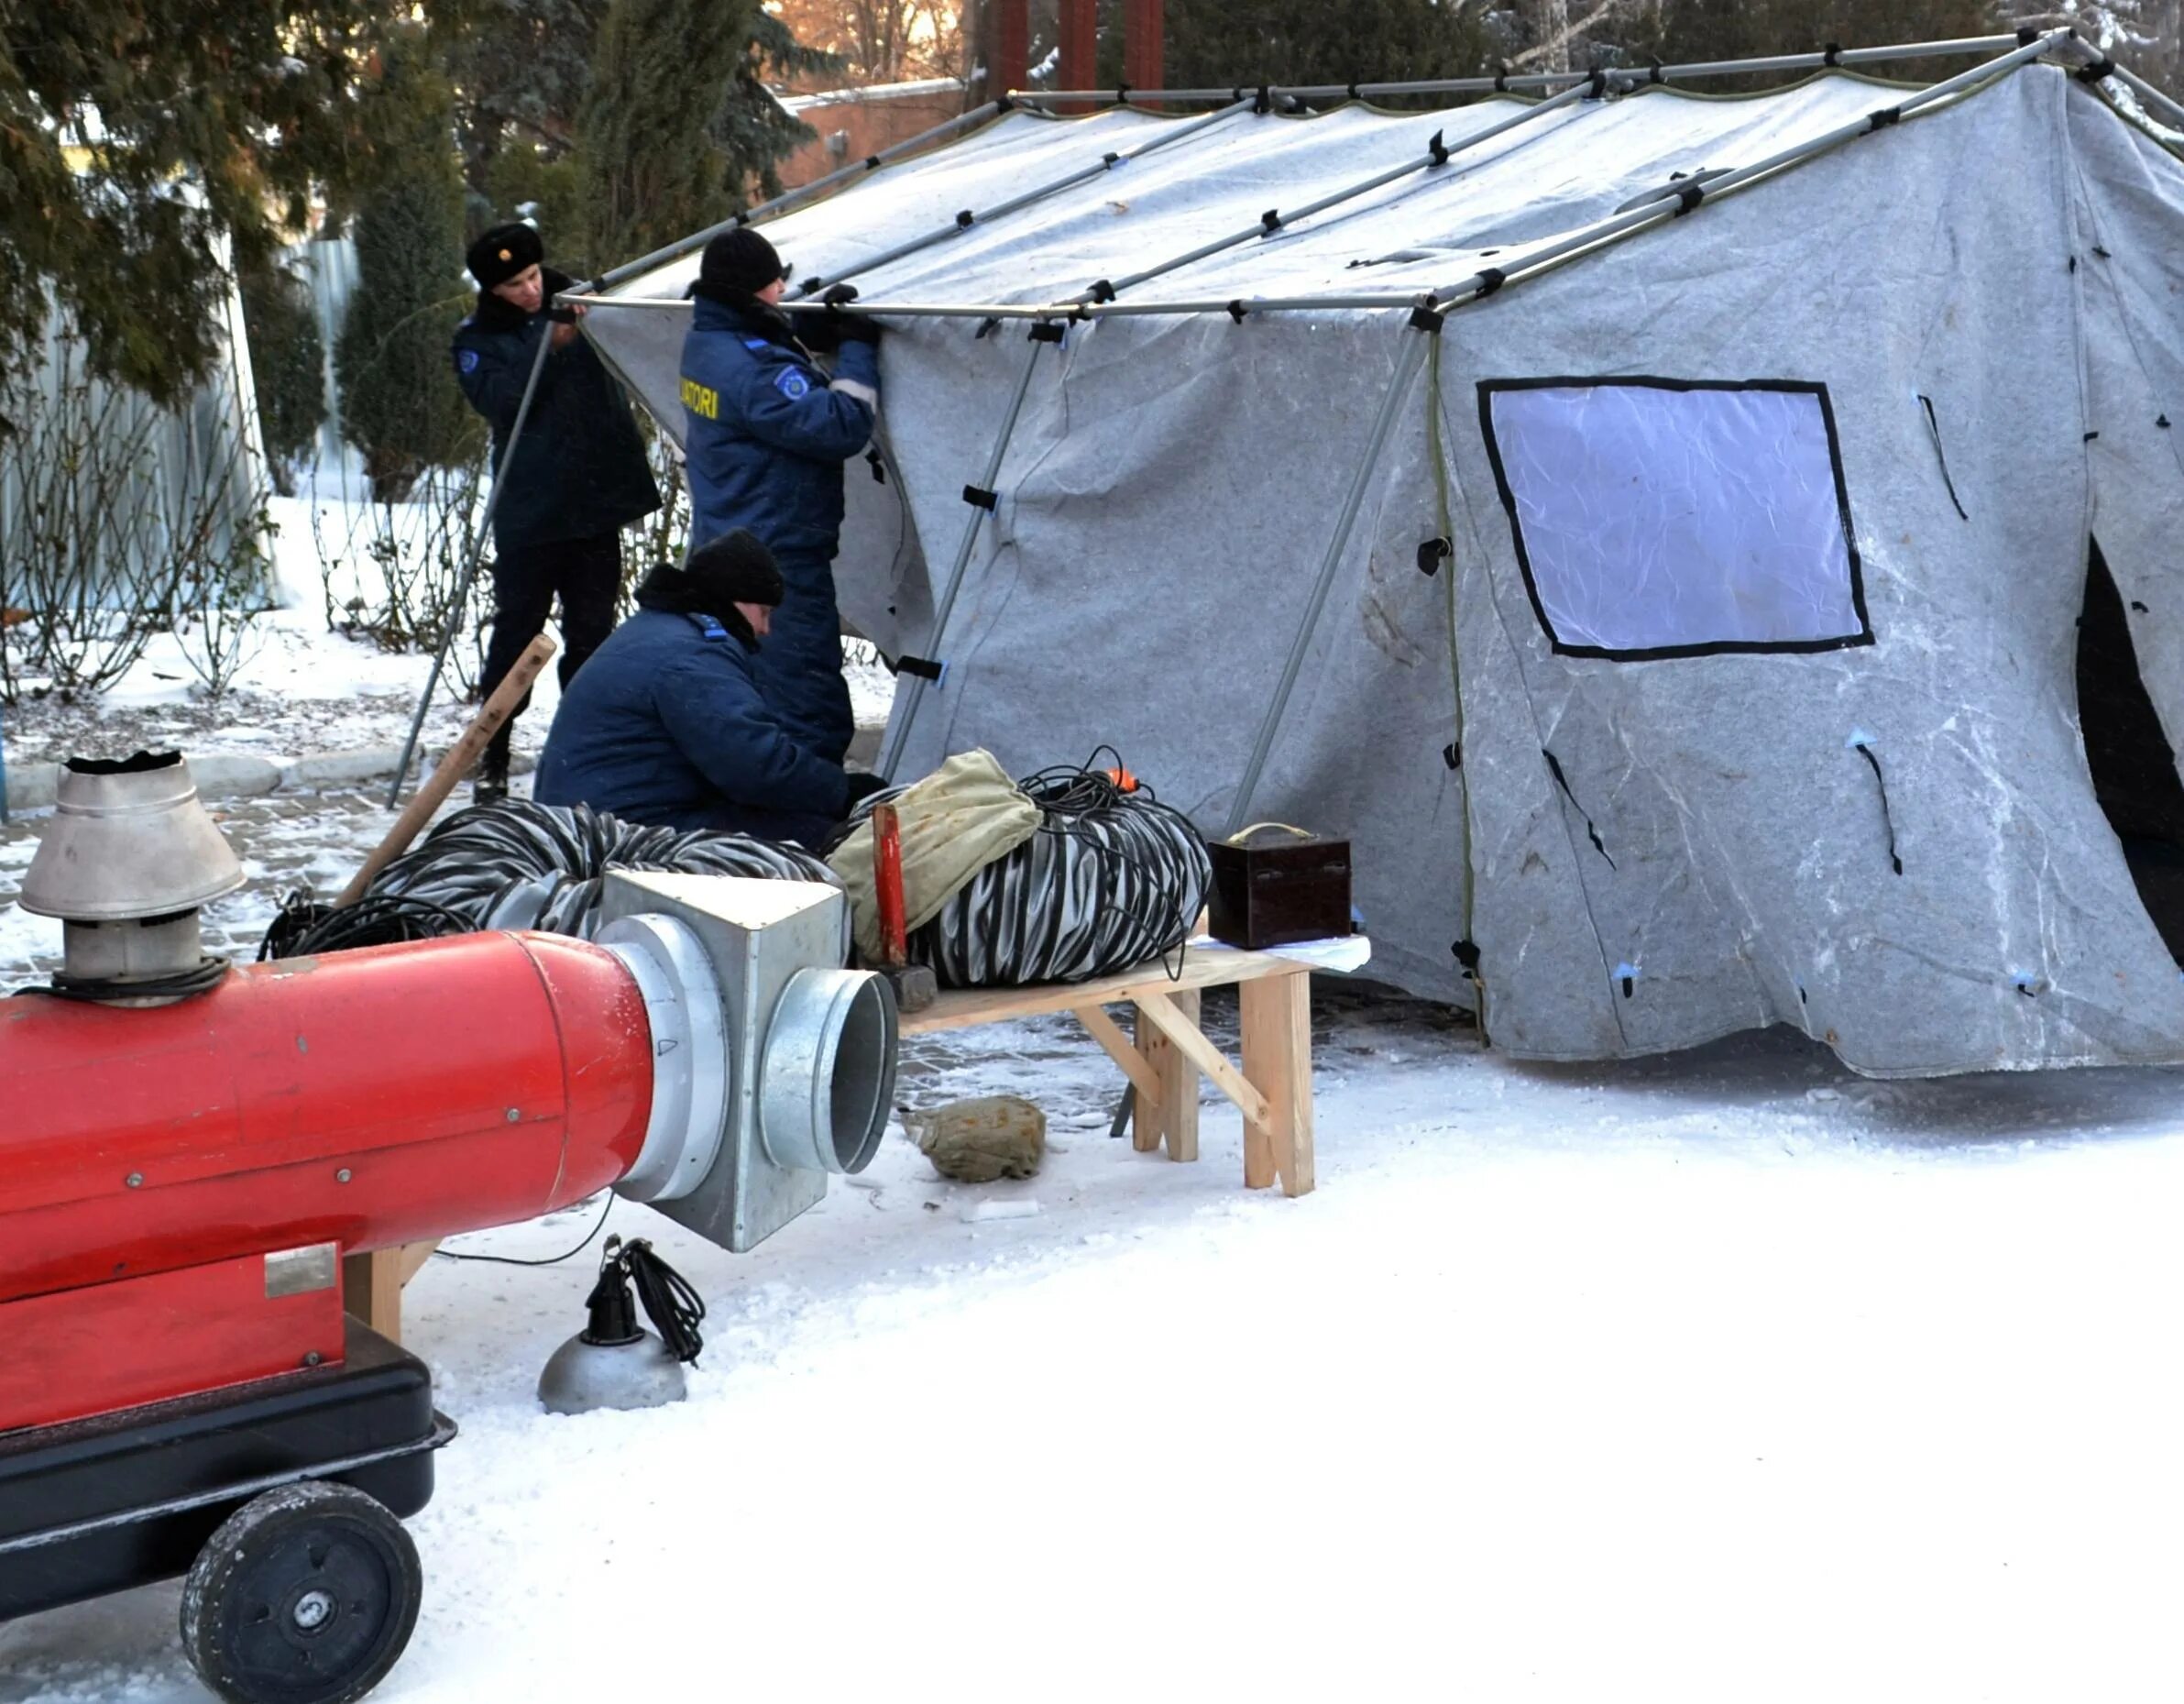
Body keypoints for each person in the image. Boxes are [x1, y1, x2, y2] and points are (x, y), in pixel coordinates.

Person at [453, 222, 660, 801]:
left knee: (592, 638)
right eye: (514, 284)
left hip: (593, 509)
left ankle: (581, 752)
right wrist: (548, 347)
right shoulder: (476, 341)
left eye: (533, 275)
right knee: (517, 637)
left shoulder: (581, 306)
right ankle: (493, 751)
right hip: (531, 515)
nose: (529, 290)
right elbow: (500, 403)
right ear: (492, 291)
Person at [534, 530, 888, 845]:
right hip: (619, 834)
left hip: (591, 817)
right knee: (823, 842)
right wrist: (842, 793)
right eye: (764, 611)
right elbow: (754, 766)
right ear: (736, 598)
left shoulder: (662, 629)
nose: (766, 628)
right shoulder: (693, 655)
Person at [678, 226, 880, 766]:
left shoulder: (706, 344)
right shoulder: (753, 370)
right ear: (751, 294)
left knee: (751, 689)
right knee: (804, 699)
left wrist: (796, 333)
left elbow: (760, 366)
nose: (782, 296)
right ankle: (808, 820)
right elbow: (840, 427)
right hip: (778, 556)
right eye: (775, 288)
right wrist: (858, 348)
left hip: (731, 537)